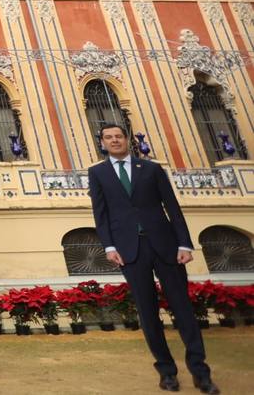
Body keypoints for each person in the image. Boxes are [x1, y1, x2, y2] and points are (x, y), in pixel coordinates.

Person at [89, 123, 220, 394]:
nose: (114, 141)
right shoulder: (97, 173)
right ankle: (166, 371)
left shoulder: (151, 169)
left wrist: (184, 242)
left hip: (165, 246)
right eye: (108, 138)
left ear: (127, 140)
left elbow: (172, 206)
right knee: (147, 312)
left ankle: (200, 372)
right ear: (102, 143)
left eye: (118, 136)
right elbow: (100, 214)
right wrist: (109, 247)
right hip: (129, 250)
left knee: (183, 309)